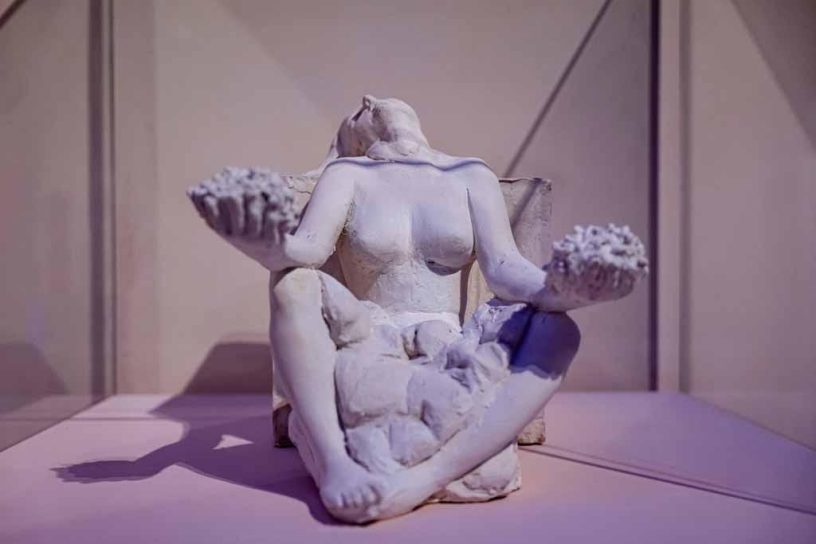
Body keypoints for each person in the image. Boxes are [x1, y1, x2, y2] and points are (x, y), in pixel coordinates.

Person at [190, 95, 645, 522]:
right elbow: (306, 250)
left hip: (447, 340)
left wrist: (559, 289)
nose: (374, 102)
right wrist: (264, 245)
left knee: (559, 328)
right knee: (293, 284)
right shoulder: (347, 173)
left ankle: (422, 479)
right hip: (367, 333)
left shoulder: (471, 174)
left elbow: (504, 267)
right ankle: (336, 464)